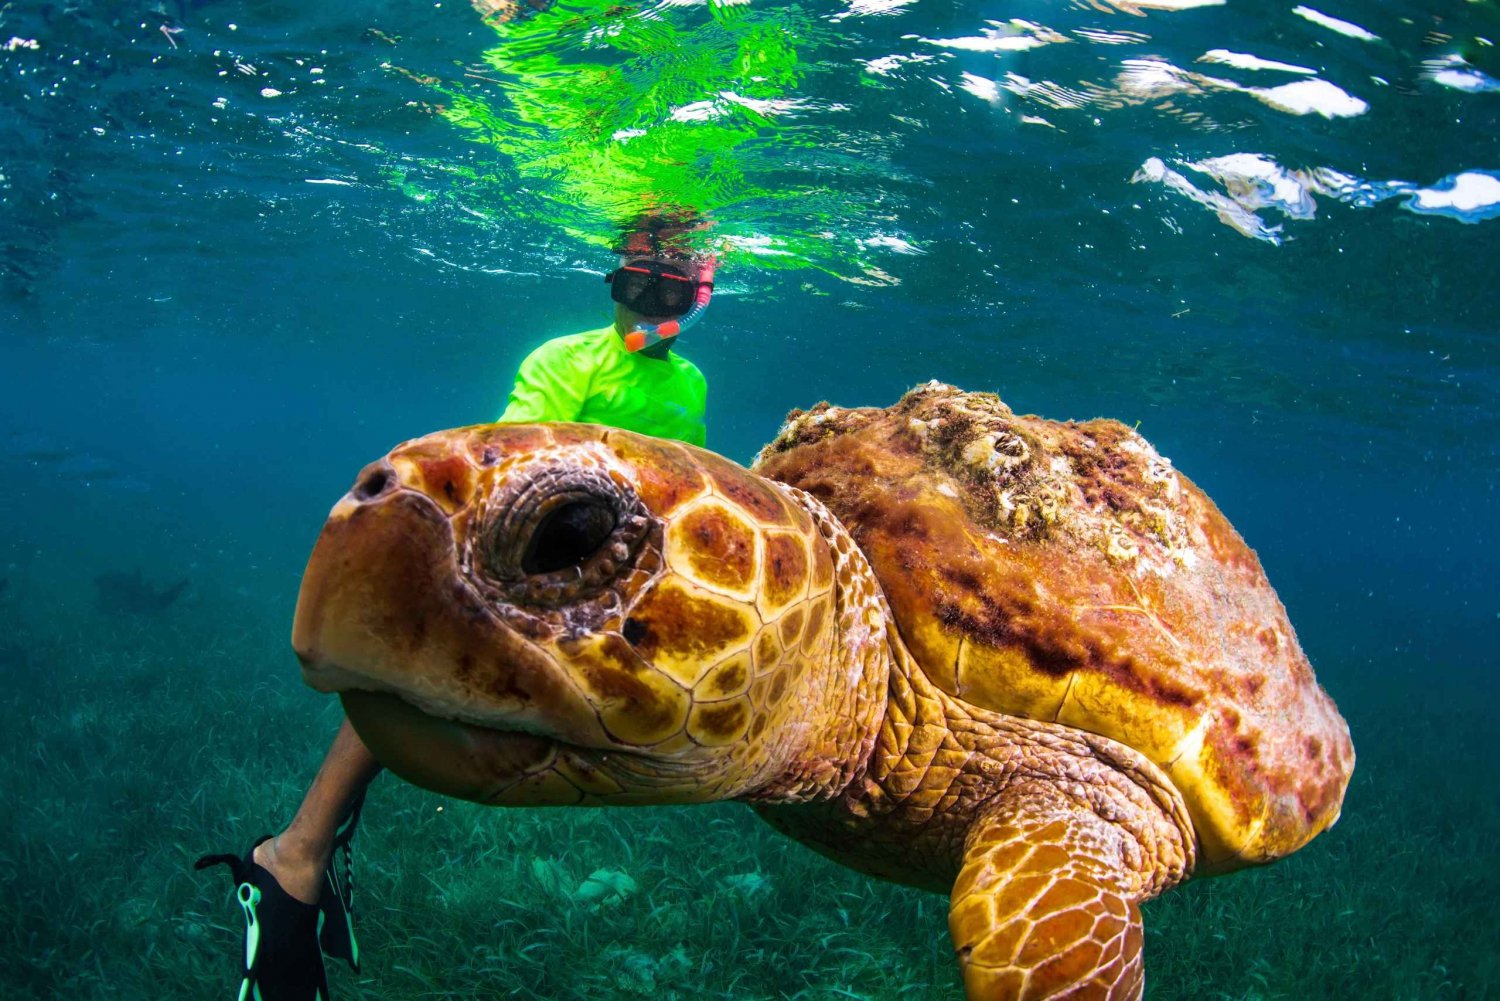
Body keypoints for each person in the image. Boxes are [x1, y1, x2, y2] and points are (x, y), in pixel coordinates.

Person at [197, 229, 715, 1001]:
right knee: (420, 669)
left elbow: (681, 496)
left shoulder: (692, 384)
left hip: (615, 581)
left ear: (699, 298)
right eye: (639, 288)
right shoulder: (562, 361)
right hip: (532, 565)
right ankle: (292, 857)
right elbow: (513, 468)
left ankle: (303, 849)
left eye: (673, 295)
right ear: (613, 283)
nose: (652, 309)